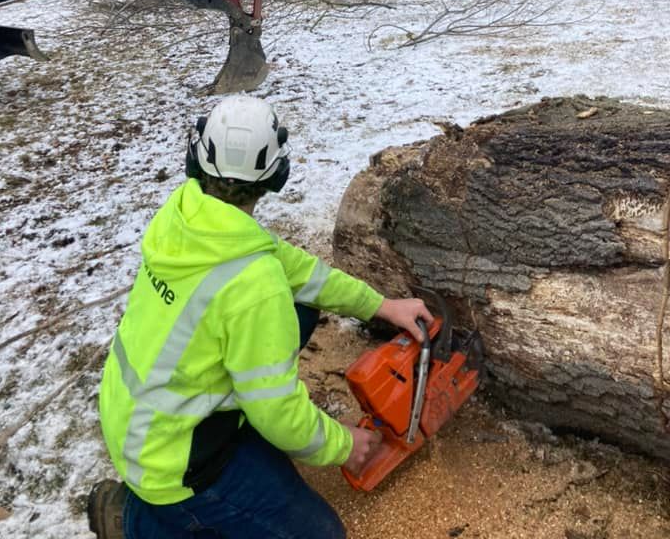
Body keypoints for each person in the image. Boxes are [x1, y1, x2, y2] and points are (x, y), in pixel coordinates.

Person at [88, 95, 433, 539]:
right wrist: (344, 446)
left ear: (197, 161)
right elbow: (277, 414)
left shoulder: (189, 218)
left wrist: (382, 305)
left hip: (135, 412)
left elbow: (301, 273)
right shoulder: (254, 283)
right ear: (276, 175)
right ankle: (135, 521)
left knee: (301, 307)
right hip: (174, 459)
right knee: (321, 534)